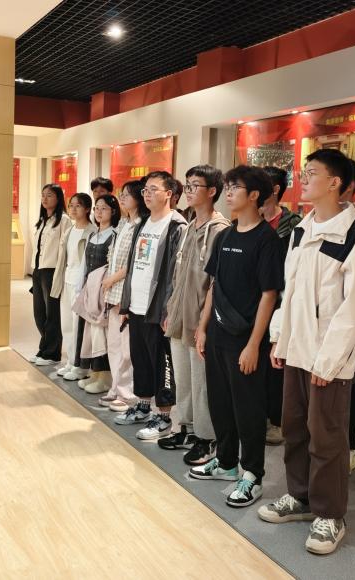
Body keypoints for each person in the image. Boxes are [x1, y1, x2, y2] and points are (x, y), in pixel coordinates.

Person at [259, 148, 355, 556]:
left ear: (335, 182)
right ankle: (300, 496)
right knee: (294, 428)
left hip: (329, 360)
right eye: (303, 172)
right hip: (296, 349)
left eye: (311, 173)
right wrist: (279, 337)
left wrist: (328, 363)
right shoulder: (301, 230)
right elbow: (290, 291)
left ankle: (330, 514)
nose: (304, 179)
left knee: (327, 437)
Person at [189, 165, 284, 509]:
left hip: (245, 340)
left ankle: (252, 474)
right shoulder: (225, 236)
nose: (228, 193)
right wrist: (203, 328)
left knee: (248, 409)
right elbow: (213, 285)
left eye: (235, 187)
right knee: (220, 402)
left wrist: (255, 344)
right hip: (217, 335)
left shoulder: (267, 241)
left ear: (255, 195)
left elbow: (269, 295)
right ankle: (226, 462)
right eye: (227, 187)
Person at [160, 165, 230, 465]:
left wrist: (204, 323)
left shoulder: (220, 230)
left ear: (212, 191)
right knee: (183, 378)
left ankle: (207, 437)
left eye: (195, 186)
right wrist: (170, 308)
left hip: (201, 318)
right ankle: (186, 429)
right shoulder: (189, 226)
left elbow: (216, 282)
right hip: (179, 313)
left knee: (202, 382)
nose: (188, 191)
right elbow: (177, 274)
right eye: (186, 185)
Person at [116, 171, 187, 440]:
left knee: (162, 364)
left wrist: (169, 309)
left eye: (153, 189)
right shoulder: (143, 223)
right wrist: (126, 304)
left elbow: (176, 274)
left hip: (158, 309)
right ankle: (143, 406)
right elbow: (133, 265)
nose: (147, 194)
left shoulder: (177, 225)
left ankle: (164, 417)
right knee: (141, 360)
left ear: (169, 193)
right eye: (145, 189)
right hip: (137, 305)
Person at [261, 166, 302, 446]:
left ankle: (277, 421)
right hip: (254, 303)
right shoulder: (248, 220)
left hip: (280, 302)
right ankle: (259, 416)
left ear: (275, 189)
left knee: (276, 364)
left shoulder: (294, 225)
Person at [98, 180, 147, 412]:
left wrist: (111, 279)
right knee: (114, 345)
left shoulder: (141, 225)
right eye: (122, 194)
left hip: (125, 293)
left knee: (127, 348)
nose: (123, 198)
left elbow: (133, 262)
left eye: (127, 194)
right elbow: (113, 255)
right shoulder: (123, 224)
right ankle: (116, 388)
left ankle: (127, 395)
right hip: (113, 293)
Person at [70, 194, 120, 394]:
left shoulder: (114, 235)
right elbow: (84, 264)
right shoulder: (93, 234)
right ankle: (94, 374)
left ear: (113, 211)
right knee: (88, 333)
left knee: (101, 334)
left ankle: (105, 378)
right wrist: (80, 287)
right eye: (96, 208)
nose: (99, 212)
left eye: (104, 208)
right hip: (89, 290)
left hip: (102, 290)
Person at [338, 159, 355, 473]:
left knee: (350, 386)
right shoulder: (309, 226)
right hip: (312, 333)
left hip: (344, 329)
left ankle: (349, 446)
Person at [53, 193, 96, 379]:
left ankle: (81, 367)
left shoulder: (92, 231)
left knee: (79, 326)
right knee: (67, 324)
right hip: (67, 281)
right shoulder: (69, 230)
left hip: (81, 284)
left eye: (78, 206)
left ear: (87, 209)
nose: (73, 209)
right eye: (71, 205)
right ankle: (71, 362)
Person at [30, 184, 72, 366]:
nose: (45, 199)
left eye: (49, 195)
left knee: (52, 314)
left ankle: (52, 354)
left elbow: (65, 250)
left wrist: (61, 274)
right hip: (38, 270)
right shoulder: (42, 220)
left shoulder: (64, 220)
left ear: (58, 198)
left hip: (52, 271)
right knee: (39, 314)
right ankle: (44, 348)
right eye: (43, 195)